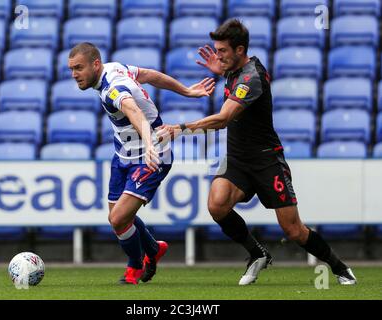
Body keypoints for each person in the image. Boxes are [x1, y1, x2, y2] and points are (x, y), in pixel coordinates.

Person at [156, 19, 357, 285]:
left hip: (266, 160)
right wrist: (221, 70)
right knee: (217, 205)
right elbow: (231, 82)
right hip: (238, 159)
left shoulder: (252, 77)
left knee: (293, 230)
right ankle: (257, 254)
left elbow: (223, 119)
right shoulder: (235, 69)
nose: (218, 56)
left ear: (240, 50)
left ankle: (340, 268)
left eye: (223, 51)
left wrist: (180, 128)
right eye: (216, 50)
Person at [67, 42, 215, 285]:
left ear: (95, 64)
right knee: (117, 217)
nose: (74, 75)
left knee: (118, 220)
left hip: (152, 154)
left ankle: (134, 268)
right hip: (124, 155)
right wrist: (186, 91)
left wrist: (148, 145)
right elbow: (149, 75)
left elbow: (133, 111)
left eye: (79, 68)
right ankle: (153, 249)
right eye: (72, 69)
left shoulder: (112, 88)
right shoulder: (115, 68)